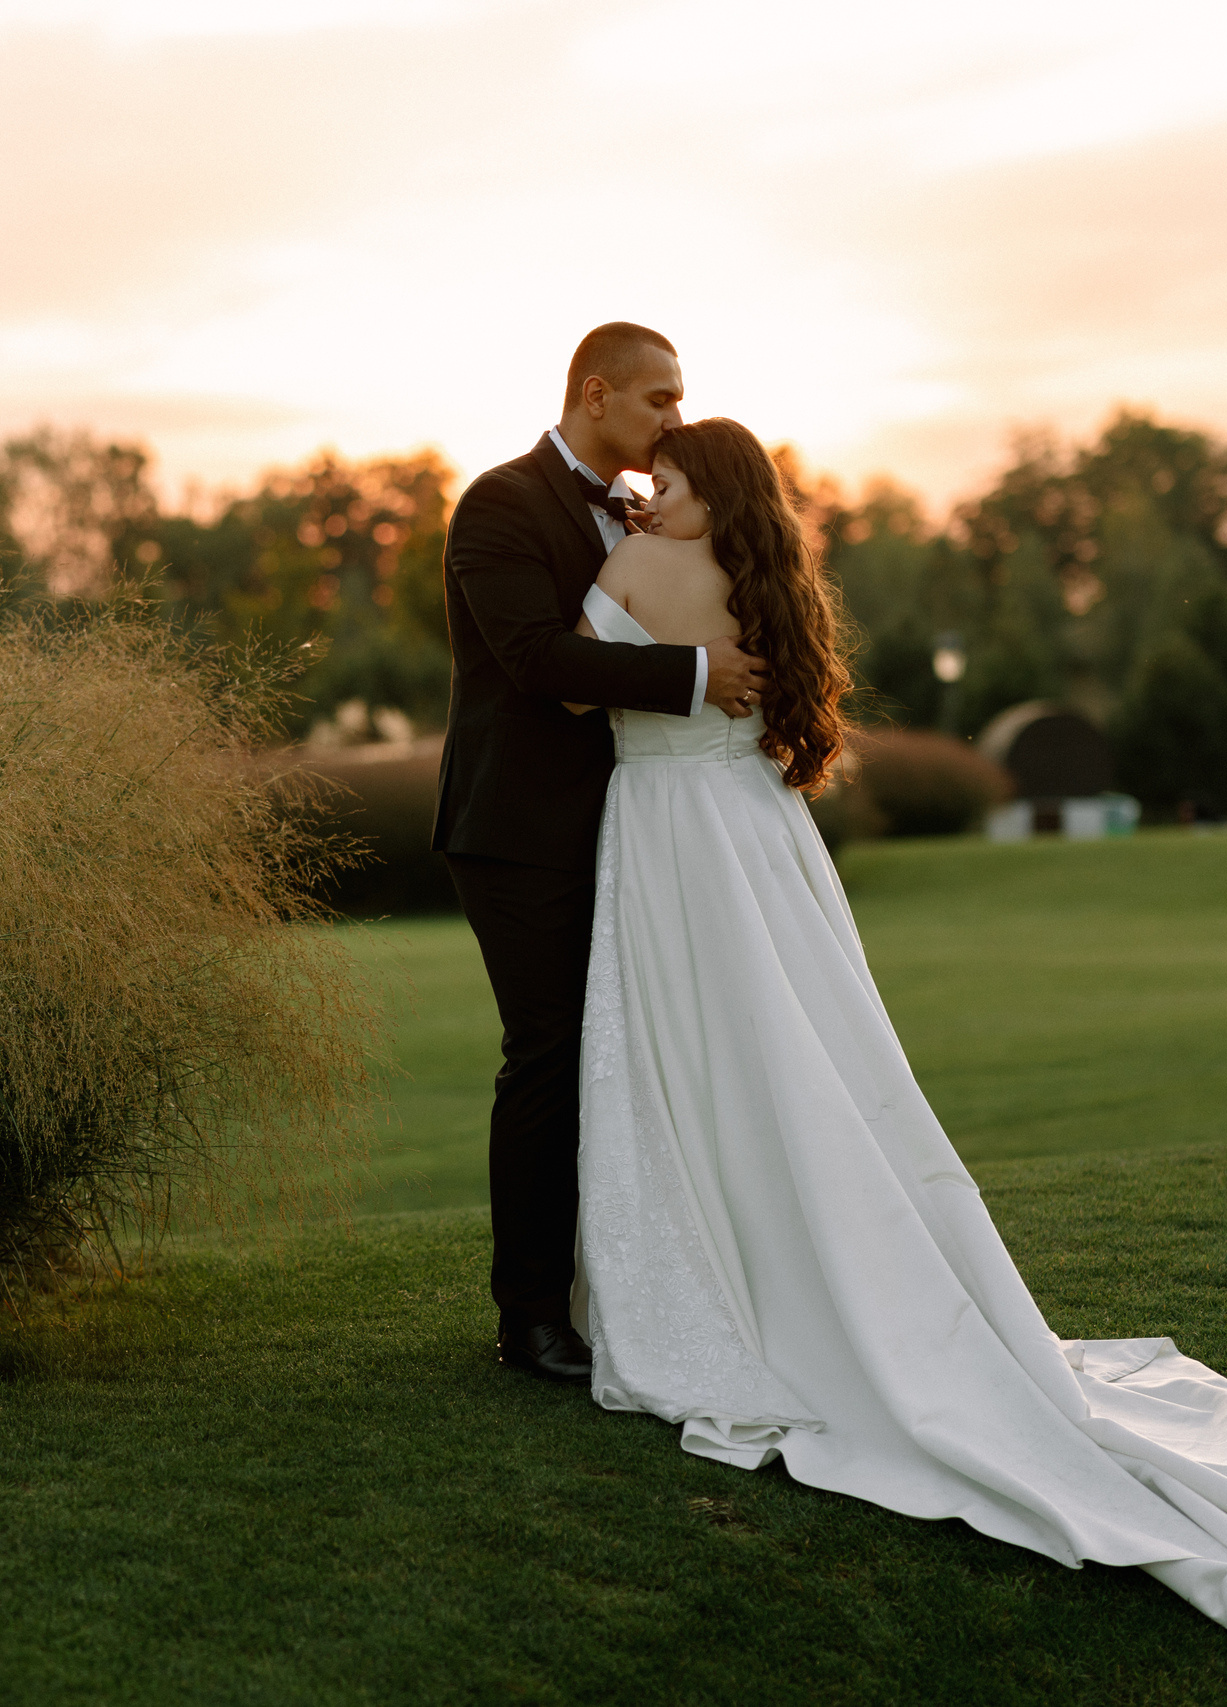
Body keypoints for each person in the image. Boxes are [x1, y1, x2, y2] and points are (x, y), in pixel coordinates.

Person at [569, 416, 1227, 1632]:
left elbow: (572, 686)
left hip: (670, 836)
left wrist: (615, 568)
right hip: (757, 833)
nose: (649, 496)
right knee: (801, 1053)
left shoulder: (629, 571)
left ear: (711, 488)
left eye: (670, 480)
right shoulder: (765, 582)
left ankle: (729, 1275)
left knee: (694, 1056)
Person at [431, 323, 769, 1383]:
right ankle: (528, 1317)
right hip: (519, 830)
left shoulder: (639, 510)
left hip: (628, 826)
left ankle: (624, 1285)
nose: (673, 418)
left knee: (627, 1050)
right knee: (547, 1056)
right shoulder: (499, 502)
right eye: (659, 400)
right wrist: (694, 677)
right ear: (595, 392)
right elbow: (532, 659)